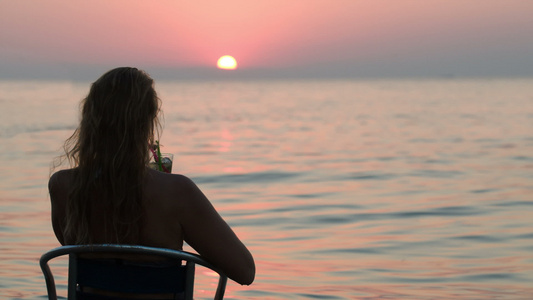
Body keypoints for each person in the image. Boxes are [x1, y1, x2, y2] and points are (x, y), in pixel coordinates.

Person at [48, 67, 255, 286]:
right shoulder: (177, 192)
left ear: (90, 117)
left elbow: (72, 246)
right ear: (148, 121)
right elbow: (245, 271)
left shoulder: (63, 186)